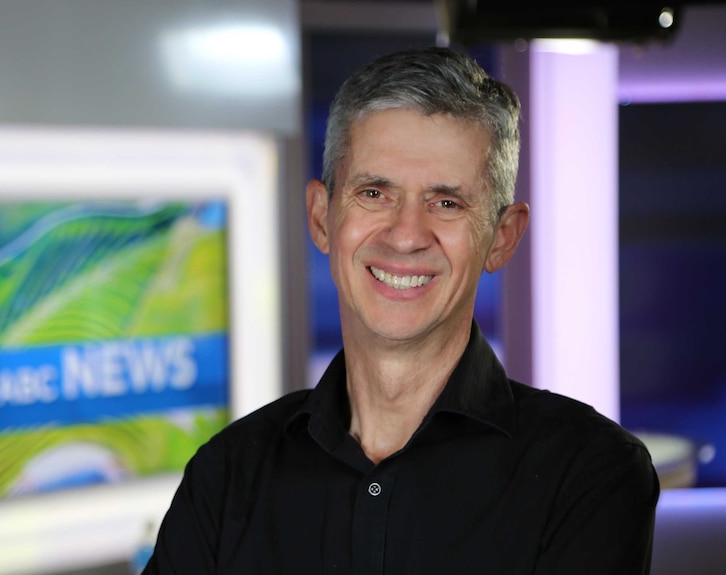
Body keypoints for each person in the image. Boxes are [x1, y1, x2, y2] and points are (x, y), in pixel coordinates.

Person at [143, 46, 659, 574]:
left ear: (502, 238)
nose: (407, 235)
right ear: (322, 218)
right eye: (374, 193)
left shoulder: (589, 474)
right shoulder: (227, 475)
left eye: (447, 203)